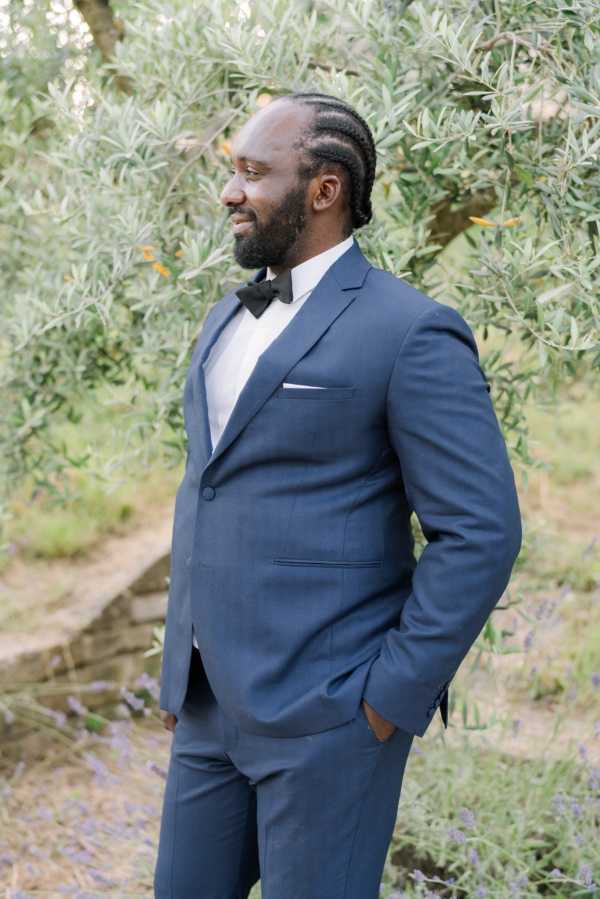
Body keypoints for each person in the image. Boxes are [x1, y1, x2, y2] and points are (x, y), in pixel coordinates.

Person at [153, 92, 522, 899]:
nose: (230, 193)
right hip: (210, 709)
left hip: (331, 719)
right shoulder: (224, 318)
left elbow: (481, 532)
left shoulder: (411, 331)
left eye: (254, 173)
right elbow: (208, 492)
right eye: (233, 173)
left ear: (323, 190)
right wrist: (181, 671)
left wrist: (385, 700)